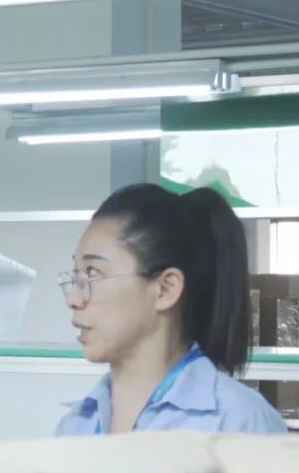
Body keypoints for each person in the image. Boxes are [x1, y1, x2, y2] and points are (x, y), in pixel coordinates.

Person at [55, 184, 286, 435]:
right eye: (76, 275)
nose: (74, 299)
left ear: (165, 289)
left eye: (93, 273)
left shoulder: (239, 422)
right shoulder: (74, 427)